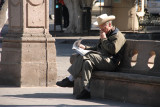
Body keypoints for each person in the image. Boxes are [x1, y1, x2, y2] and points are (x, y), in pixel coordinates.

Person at [56, 14, 126, 99]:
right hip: (101, 59)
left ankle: (70, 79)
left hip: (111, 62)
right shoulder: (106, 33)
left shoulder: (118, 36)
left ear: (110, 25)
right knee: (87, 62)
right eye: (100, 28)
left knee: (86, 55)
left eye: (103, 28)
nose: (101, 30)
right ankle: (86, 90)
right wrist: (85, 47)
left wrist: (104, 39)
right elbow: (97, 48)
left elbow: (113, 50)